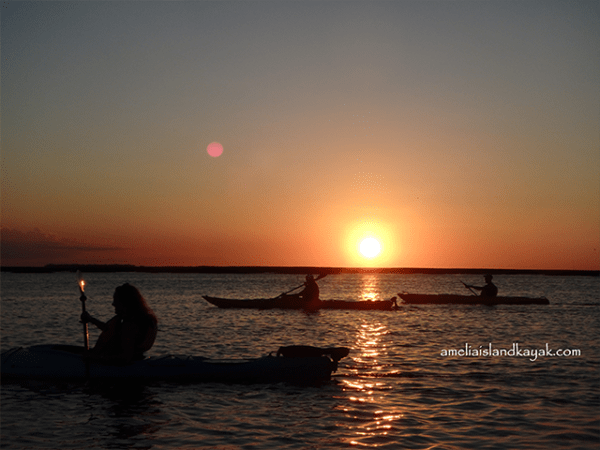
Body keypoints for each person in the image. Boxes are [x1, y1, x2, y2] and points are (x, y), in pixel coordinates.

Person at [81, 283, 158, 364]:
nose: (113, 304)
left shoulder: (130, 326)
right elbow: (109, 329)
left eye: (115, 300)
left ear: (125, 303)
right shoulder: (134, 319)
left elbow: (125, 357)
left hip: (119, 367)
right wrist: (91, 319)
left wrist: (95, 358)